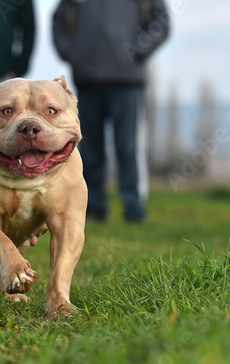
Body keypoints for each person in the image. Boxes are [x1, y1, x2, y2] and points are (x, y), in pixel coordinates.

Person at [53, 0, 169, 222]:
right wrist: (73, 52)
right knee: (88, 146)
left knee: (128, 146)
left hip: (127, 79)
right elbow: (58, 21)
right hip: (87, 79)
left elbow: (161, 21)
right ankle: (92, 206)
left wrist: (137, 50)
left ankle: (133, 208)